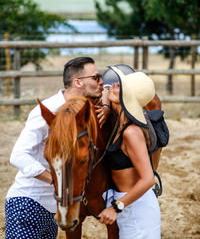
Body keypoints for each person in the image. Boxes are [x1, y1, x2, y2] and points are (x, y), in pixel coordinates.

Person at [5, 56, 107, 239]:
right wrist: (57, 179)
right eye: (96, 77)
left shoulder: (84, 110)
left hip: (52, 209)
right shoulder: (49, 110)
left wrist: (106, 105)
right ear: (78, 82)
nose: (101, 82)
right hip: (28, 202)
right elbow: (18, 155)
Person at [98, 66, 161, 239]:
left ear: (127, 97)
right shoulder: (120, 124)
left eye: (119, 86)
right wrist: (106, 105)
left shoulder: (131, 132)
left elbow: (148, 179)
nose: (113, 86)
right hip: (130, 205)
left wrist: (116, 207)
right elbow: (105, 89)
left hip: (137, 209)